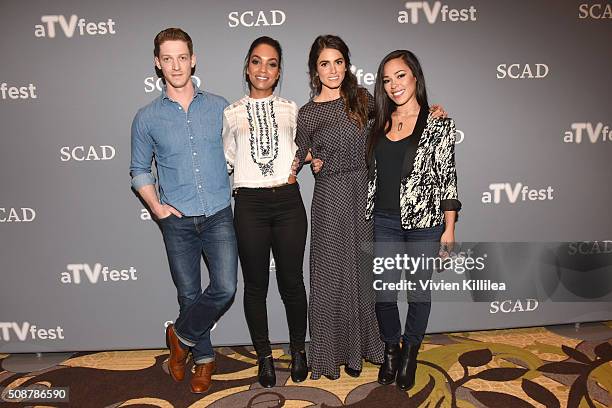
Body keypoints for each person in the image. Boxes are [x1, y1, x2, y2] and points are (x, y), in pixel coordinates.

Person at [130, 28, 238, 394]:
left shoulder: (221, 107)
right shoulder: (146, 118)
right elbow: (139, 169)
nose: (176, 65)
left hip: (219, 213)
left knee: (224, 287)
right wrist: (156, 207)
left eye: (182, 57)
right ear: (157, 64)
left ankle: (179, 337)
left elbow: (246, 152)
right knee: (188, 294)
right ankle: (204, 360)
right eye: (167, 58)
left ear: (193, 59)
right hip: (176, 219)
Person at [365, 50, 460, 390]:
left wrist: (449, 229)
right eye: (387, 79)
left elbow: (448, 178)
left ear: (415, 77)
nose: (394, 85)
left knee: (419, 293)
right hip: (384, 220)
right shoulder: (377, 122)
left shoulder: (438, 122)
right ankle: (392, 347)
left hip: (426, 222)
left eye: (400, 76)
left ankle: (410, 354)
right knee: (384, 294)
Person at [222, 36, 310, 388]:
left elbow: (313, 145)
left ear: (278, 72)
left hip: (288, 202)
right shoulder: (231, 113)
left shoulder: (293, 109)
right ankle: (264, 358)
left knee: (292, 281)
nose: (263, 69)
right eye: (257, 61)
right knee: (256, 286)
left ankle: (299, 350)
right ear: (247, 67)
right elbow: (228, 159)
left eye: (271, 63)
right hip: (249, 204)